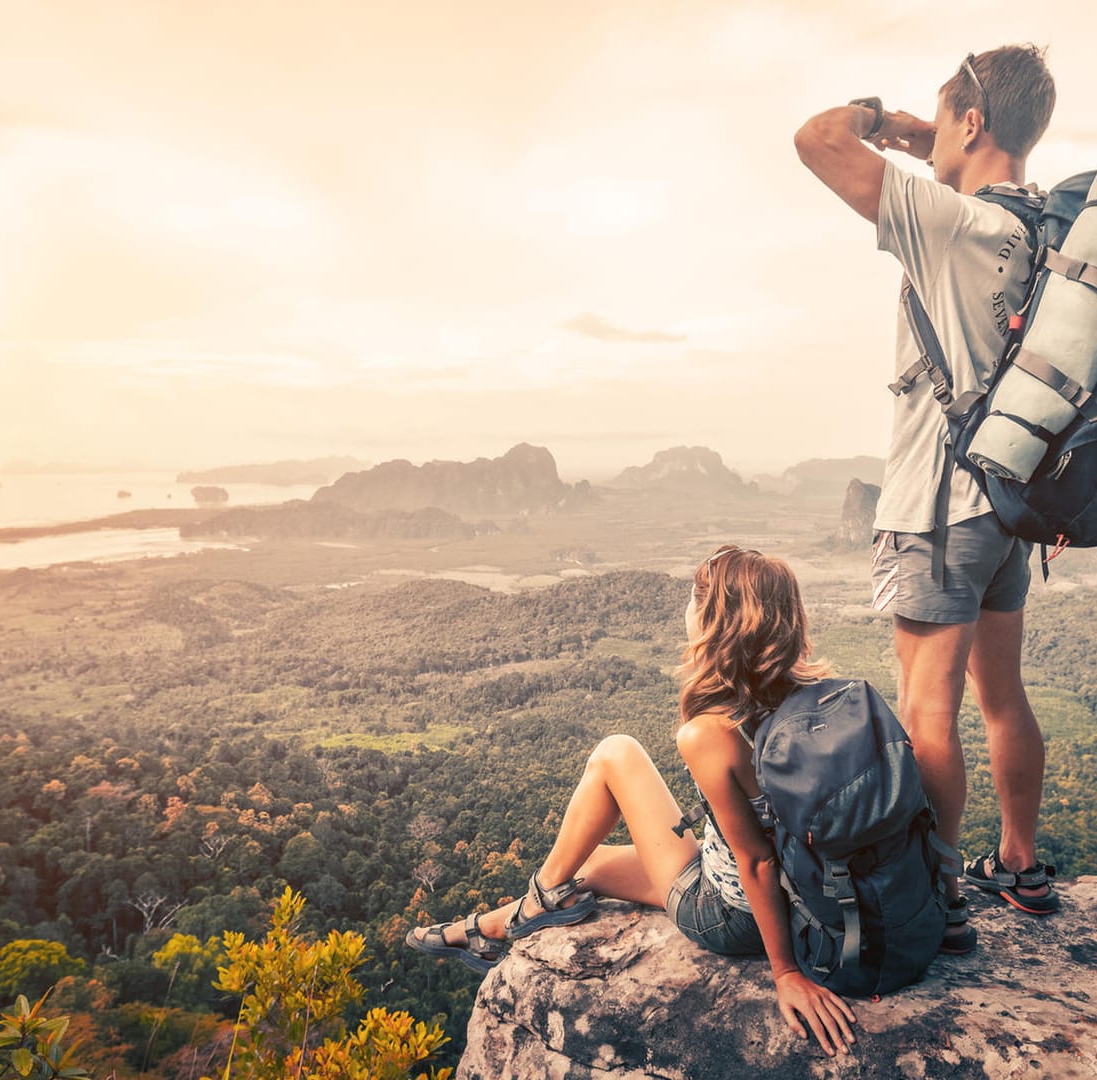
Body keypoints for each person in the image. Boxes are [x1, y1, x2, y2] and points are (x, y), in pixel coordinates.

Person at [790, 46, 1062, 951]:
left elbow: (817, 138)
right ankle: (1018, 863)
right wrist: (934, 132)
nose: (929, 136)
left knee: (928, 708)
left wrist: (890, 126)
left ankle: (935, 898)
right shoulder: (1043, 234)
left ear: (972, 124)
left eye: (946, 121)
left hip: (940, 508)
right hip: (1006, 505)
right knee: (1003, 697)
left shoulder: (951, 223)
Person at [406, 545, 858, 1058]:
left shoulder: (709, 733)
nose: (686, 612)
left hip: (732, 914)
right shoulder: (816, 696)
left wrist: (785, 973)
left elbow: (755, 860)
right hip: (803, 898)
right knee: (590, 862)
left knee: (615, 754)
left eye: (694, 601)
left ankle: (528, 905)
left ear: (715, 622)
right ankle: (493, 926)